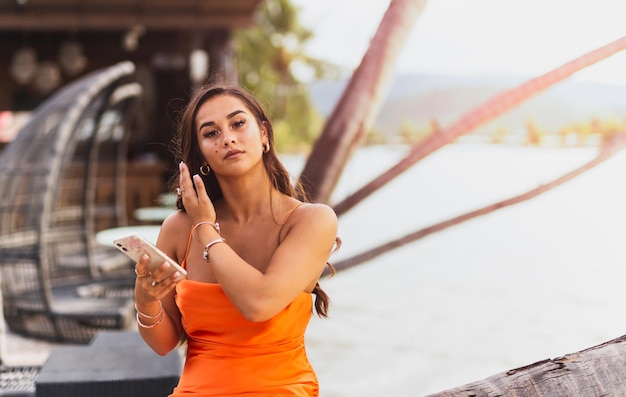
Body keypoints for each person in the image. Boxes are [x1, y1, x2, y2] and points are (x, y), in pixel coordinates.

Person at [132, 83, 340, 396]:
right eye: (210, 133)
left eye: (238, 123)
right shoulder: (177, 229)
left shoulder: (311, 220)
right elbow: (165, 344)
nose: (227, 137)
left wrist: (206, 228)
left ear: (265, 134)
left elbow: (258, 305)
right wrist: (145, 300)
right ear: (201, 152)